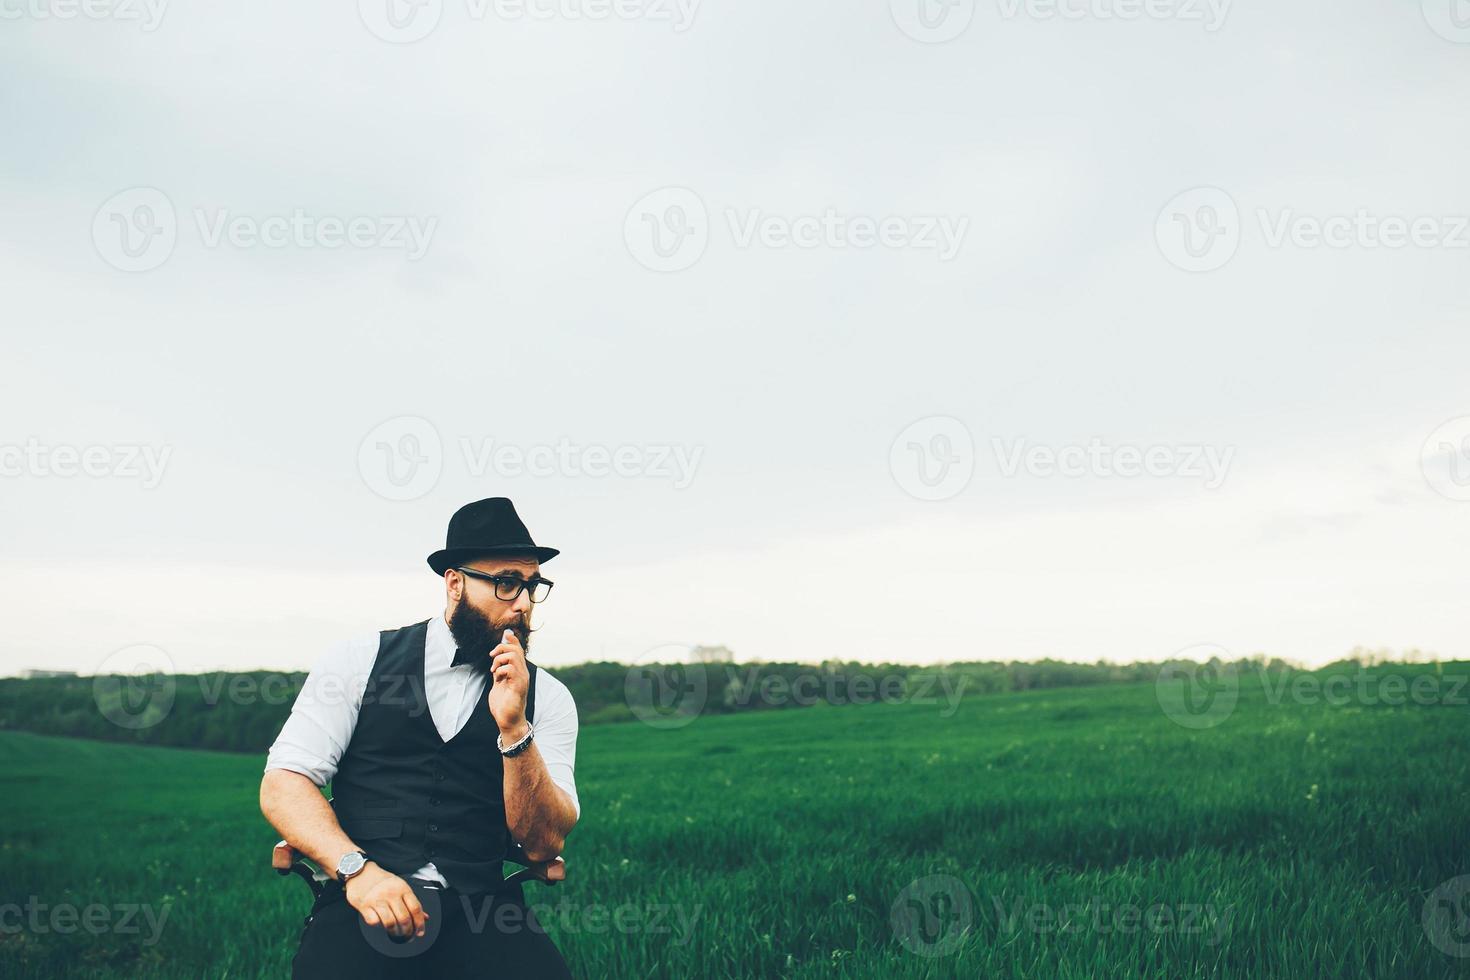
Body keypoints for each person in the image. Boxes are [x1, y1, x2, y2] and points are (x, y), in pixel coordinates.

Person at [260, 497, 579, 978]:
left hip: (483, 909)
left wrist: (515, 729)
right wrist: (356, 871)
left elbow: (541, 844)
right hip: (363, 896)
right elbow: (283, 783)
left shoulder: (549, 698)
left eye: (533, 586)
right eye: (507, 583)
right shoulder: (358, 661)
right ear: (455, 583)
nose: (523, 604)